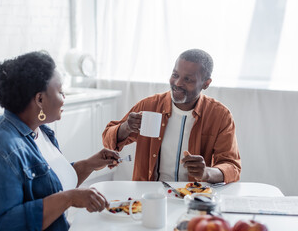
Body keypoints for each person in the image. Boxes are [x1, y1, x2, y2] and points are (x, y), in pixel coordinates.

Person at [0, 51, 120, 231]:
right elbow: (2, 226)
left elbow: (50, 185)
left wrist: (89, 164)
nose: (64, 98)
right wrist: (69, 198)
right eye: (60, 91)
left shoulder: (40, 130)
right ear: (40, 99)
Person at [102, 49, 241, 184]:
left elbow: (232, 166)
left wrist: (206, 173)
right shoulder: (150, 106)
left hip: (193, 196)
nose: (178, 83)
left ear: (206, 83)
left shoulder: (220, 115)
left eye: (188, 79)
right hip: (150, 195)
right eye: (175, 75)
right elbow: (108, 140)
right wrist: (126, 127)